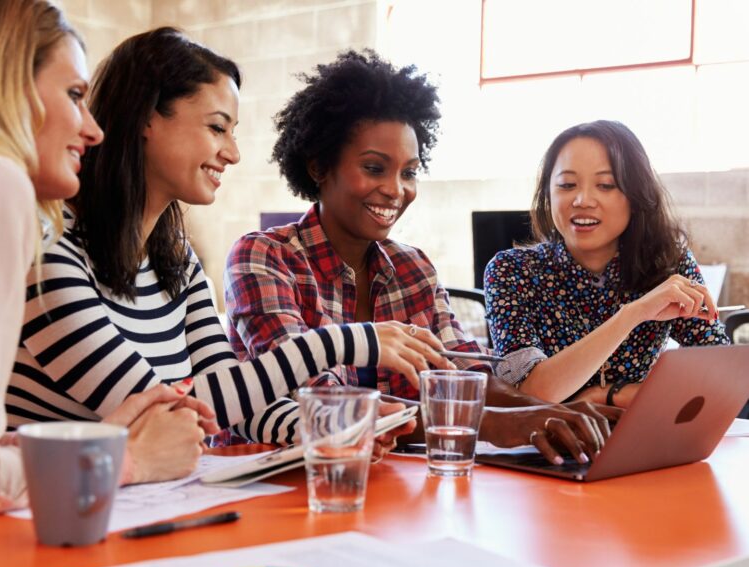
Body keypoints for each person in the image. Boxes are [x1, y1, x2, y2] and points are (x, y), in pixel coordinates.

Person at [6, 28, 450, 464]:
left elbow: (232, 397)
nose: (233, 153)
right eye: (218, 128)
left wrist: (328, 426)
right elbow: (163, 415)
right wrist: (348, 341)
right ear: (146, 118)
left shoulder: (175, 257)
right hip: (36, 519)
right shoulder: (47, 248)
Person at [225, 50, 615, 465]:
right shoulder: (263, 258)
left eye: (409, 172)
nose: (396, 190)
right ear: (320, 166)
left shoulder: (413, 268)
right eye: (375, 168)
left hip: (388, 493)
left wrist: (548, 412)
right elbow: (323, 402)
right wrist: (499, 425)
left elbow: (464, 376)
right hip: (275, 490)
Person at [0, 0, 218, 521]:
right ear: (6, 86)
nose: (93, 129)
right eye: (75, 95)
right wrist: (126, 458)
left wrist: (94, 440)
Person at [484, 120, 729, 408]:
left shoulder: (668, 265)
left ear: (636, 195)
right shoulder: (511, 271)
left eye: (606, 185)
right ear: (548, 193)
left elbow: (722, 381)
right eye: (567, 185)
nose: (583, 199)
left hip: (644, 442)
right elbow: (528, 395)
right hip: (547, 447)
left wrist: (609, 394)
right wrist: (632, 315)